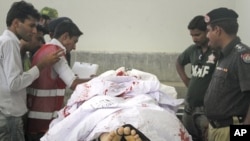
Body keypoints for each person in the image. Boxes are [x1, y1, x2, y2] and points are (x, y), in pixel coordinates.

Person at [0, 1, 63, 141]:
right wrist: (41, 65)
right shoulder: (10, 43)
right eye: (31, 25)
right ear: (16, 23)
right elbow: (14, 83)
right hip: (10, 117)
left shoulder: (4, 41)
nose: (34, 31)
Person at [25, 21, 93, 141]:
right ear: (65, 37)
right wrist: (97, 79)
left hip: (34, 121)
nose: (75, 47)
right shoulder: (57, 53)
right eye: (74, 41)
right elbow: (73, 84)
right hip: (45, 125)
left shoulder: (42, 50)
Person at [203, 7, 250, 141]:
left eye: (209, 31)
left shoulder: (241, 55)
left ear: (218, 30)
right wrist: (211, 122)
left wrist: (243, 133)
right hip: (218, 128)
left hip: (232, 130)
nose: (207, 36)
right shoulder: (224, 55)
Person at [176, 15, 218, 141]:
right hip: (189, 107)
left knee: (206, 137)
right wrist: (186, 80)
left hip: (206, 110)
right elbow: (179, 62)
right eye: (192, 35)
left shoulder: (217, 51)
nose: (194, 39)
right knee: (189, 137)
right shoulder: (193, 50)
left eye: (197, 35)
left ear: (207, 32)